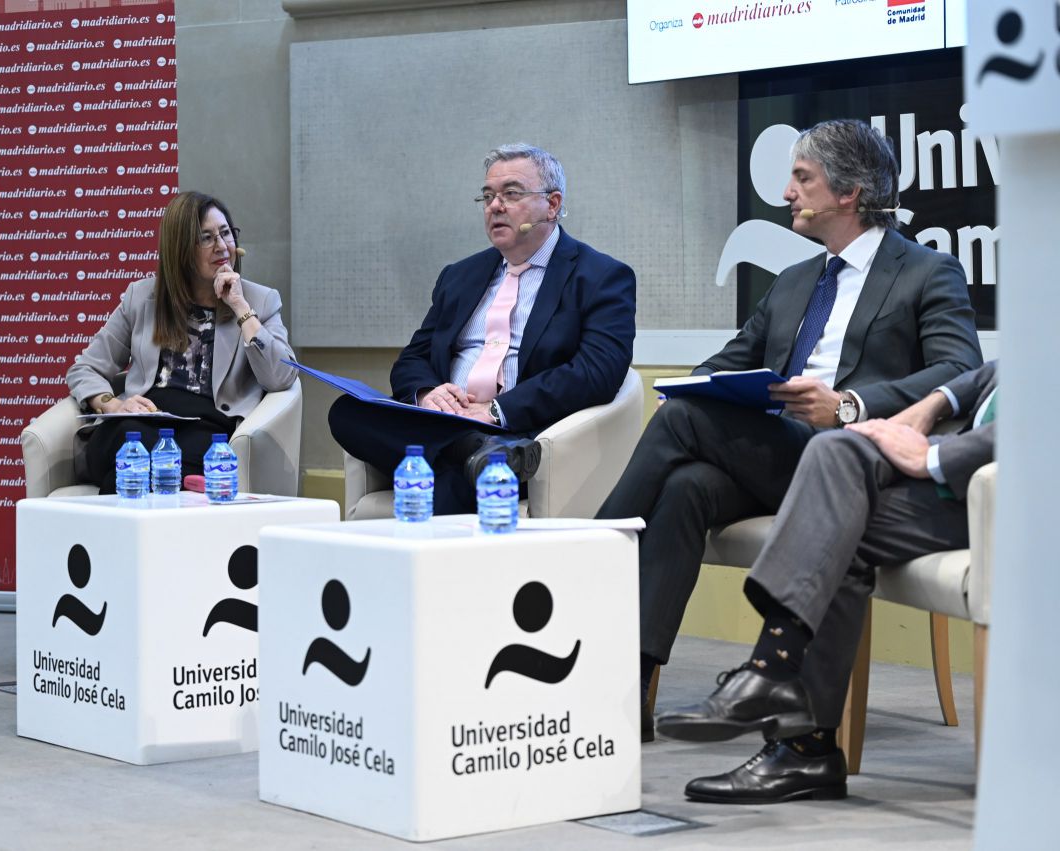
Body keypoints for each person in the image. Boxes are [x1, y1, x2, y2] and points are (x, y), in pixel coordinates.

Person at [594, 119, 983, 719]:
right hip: (778, 451)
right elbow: (726, 362)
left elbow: (960, 368)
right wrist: (694, 386)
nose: (786, 193)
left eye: (802, 178)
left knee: (679, 425)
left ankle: (581, 562)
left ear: (849, 193)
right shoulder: (795, 281)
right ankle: (626, 690)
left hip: (851, 462)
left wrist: (850, 406)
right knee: (685, 486)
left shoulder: (927, 271)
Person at [655, 360, 998, 803]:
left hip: (1010, 493)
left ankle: (787, 711)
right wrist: (934, 403)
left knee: (834, 523)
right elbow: (996, 372)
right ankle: (796, 730)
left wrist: (932, 456)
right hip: (960, 479)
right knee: (833, 453)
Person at [328, 143, 637, 514]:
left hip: (518, 428)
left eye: (511, 194)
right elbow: (413, 357)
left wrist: (497, 410)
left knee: (452, 488)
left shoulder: (600, 276)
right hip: (443, 422)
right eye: (488, 196)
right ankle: (474, 450)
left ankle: (484, 455)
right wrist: (428, 395)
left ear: (552, 204)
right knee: (347, 411)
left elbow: (597, 371)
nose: (495, 206)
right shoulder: (460, 275)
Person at [66, 191, 296, 493]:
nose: (222, 247)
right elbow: (84, 369)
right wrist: (113, 404)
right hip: (139, 426)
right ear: (181, 250)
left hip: (206, 431)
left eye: (226, 233)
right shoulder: (143, 297)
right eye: (207, 238)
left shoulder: (259, 301)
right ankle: (178, 484)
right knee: (130, 439)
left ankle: (128, 517)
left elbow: (282, 376)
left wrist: (240, 307)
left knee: (130, 470)